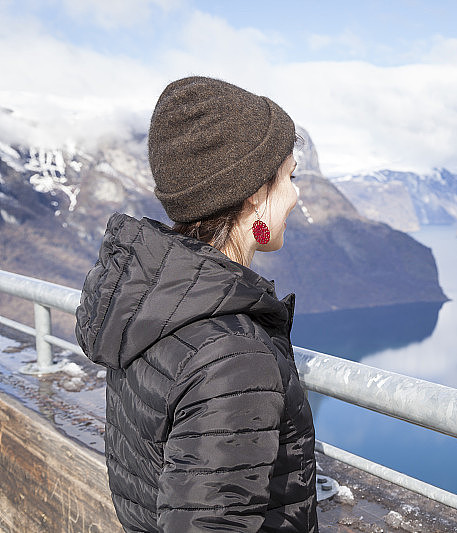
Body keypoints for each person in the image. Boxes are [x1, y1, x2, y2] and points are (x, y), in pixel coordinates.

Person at [74, 76, 318, 532]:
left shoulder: (150, 306)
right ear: (253, 193)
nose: (296, 193)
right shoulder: (232, 356)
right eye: (290, 177)